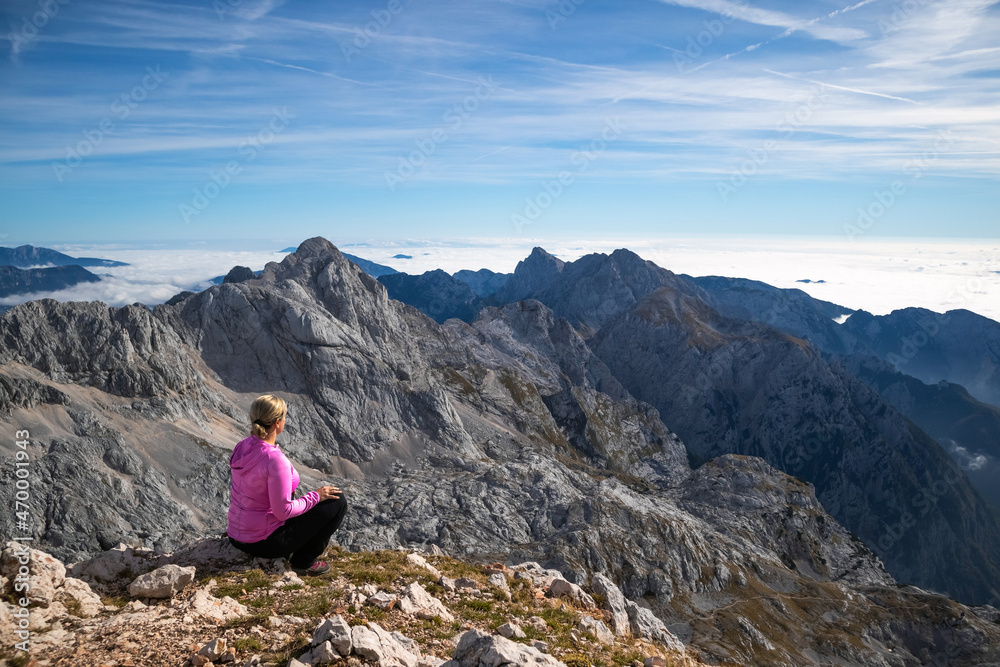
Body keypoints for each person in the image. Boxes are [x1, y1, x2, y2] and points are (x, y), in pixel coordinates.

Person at [227, 394, 347, 575]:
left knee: (304, 504)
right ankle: (304, 561)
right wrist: (316, 496)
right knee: (337, 501)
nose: (285, 420)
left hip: (236, 536)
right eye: (284, 417)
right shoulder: (274, 460)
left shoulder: (242, 446)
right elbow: (282, 511)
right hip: (264, 542)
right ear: (277, 423)